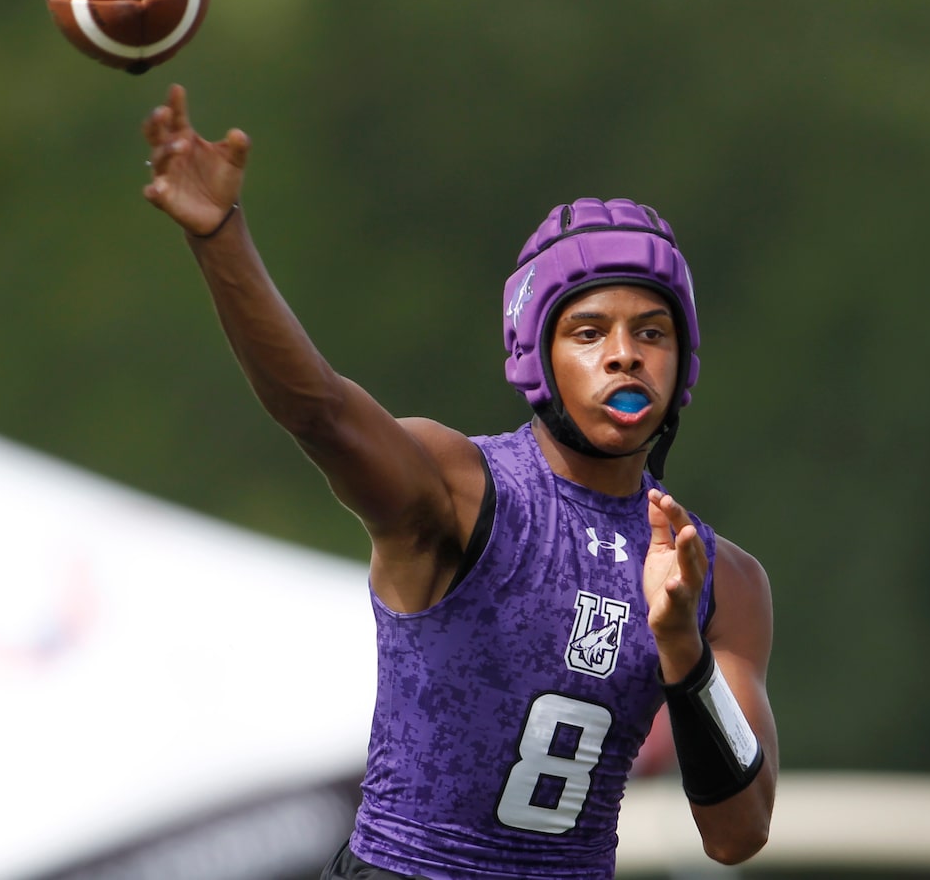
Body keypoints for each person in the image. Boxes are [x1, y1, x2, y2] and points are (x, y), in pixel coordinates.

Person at [142, 84, 778, 880]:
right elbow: (319, 412)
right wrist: (220, 237)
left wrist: (680, 643)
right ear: (535, 356)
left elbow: (738, 834)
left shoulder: (720, 579)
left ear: (680, 363)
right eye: (589, 331)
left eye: (651, 332)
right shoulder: (461, 488)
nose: (624, 354)